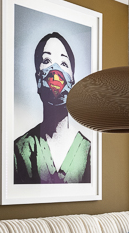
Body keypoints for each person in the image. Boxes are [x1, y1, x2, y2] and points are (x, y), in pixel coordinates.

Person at [13, 32, 91, 184]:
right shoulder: (20, 150)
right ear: (37, 78)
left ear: (73, 81)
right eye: (47, 60)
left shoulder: (89, 152)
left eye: (64, 63)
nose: (55, 70)